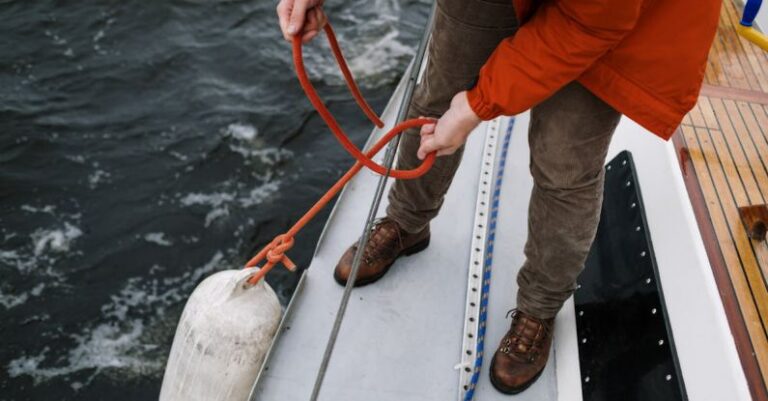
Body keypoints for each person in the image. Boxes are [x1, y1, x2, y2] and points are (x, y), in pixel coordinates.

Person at [277, 0, 720, 394]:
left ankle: (538, 309)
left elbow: (591, 23)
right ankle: (407, 224)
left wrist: (476, 106)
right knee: (435, 98)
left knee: (564, 165)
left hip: (614, 16)